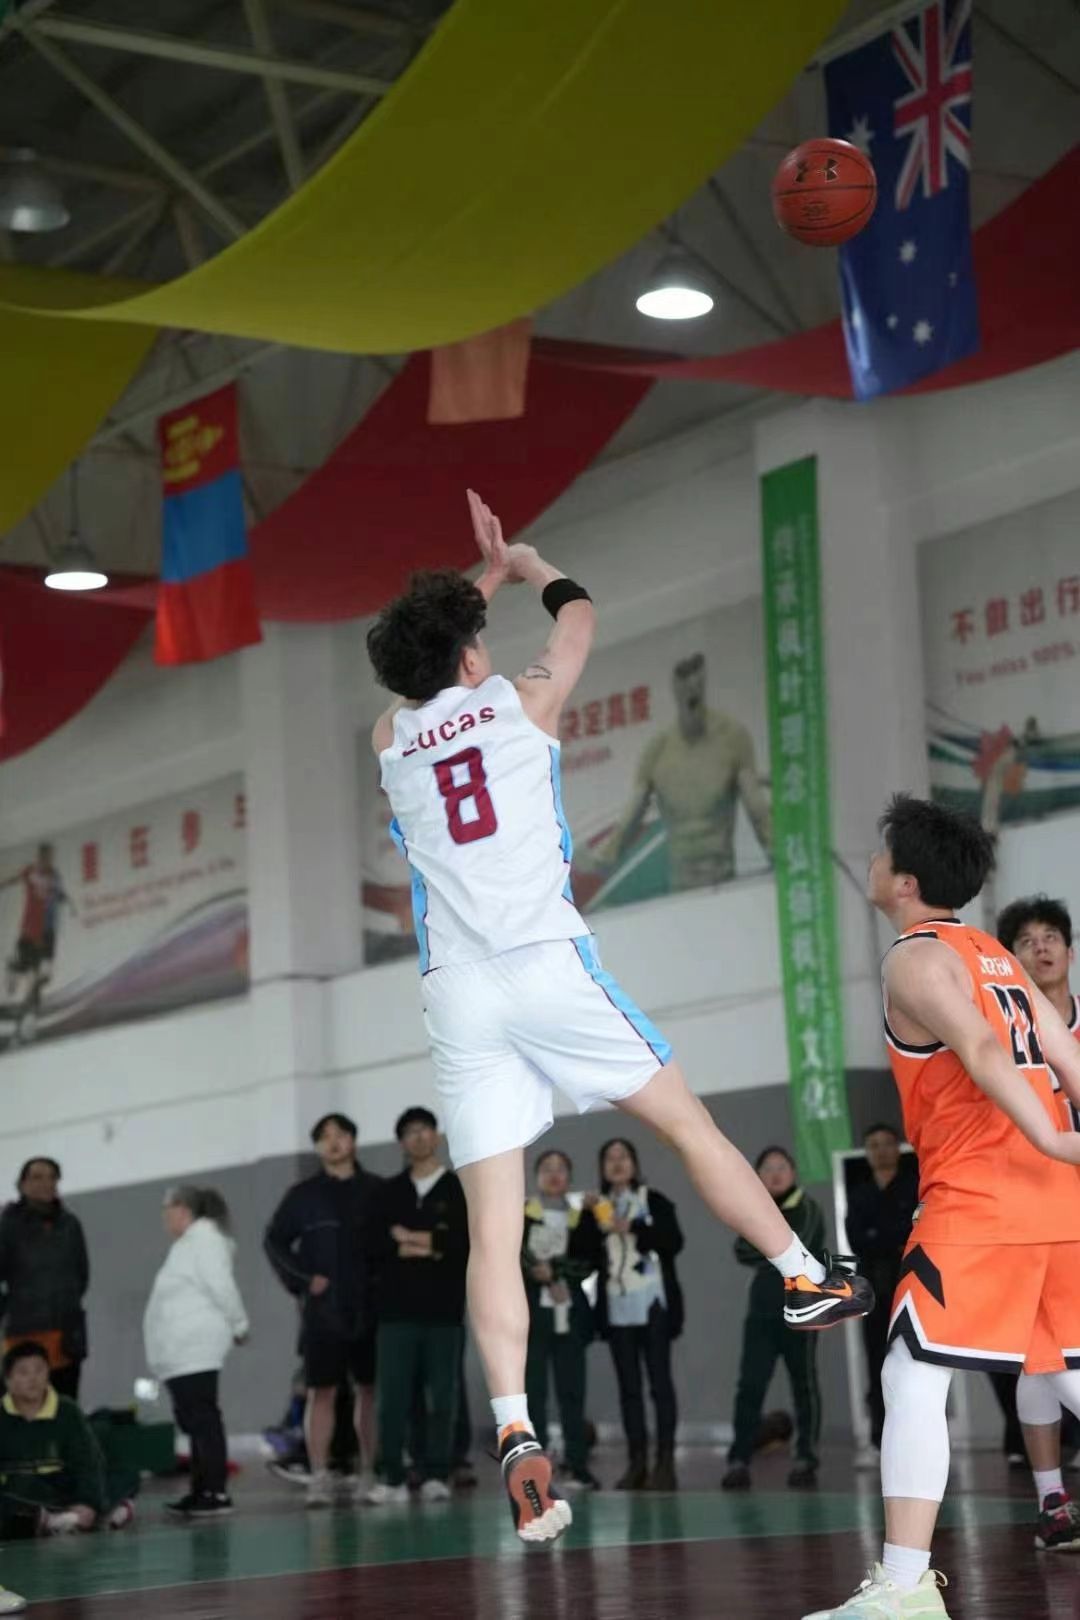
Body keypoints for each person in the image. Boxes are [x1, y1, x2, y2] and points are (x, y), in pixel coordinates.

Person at [368, 490, 871, 1543]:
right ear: (472, 654)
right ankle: (802, 1274)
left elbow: (424, 660)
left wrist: (474, 588)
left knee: (493, 1233)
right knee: (687, 1124)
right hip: (545, 964)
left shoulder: (388, 740)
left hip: (457, 994)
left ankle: (514, 1428)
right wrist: (527, 566)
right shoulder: (521, 700)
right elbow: (582, 614)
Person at [805, 794, 1080, 1620]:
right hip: (1058, 1204)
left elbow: (984, 1050)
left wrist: (1053, 1137)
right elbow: (1068, 1057)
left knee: (910, 1374)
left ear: (905, 882)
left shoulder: (914, 958)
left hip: (983, 1197)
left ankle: (903, 1589)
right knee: (1070, 1375)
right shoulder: (996, 956)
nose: (871, 863)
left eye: (881, 854)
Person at [997, 895, 1080, 1510]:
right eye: (1026, 941)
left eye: (1051, 936)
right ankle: (1052, 1502)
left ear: (1069, 951)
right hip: (1030, 1208)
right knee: (1039, 1352)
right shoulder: (1001, 1039)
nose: (1041, 947)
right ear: (1010, 962)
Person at [264, 1112, 382, 1509]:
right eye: (324, 1137)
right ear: (317, 1147)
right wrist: (303, 1279)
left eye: (340, 1134)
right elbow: (274, 1241)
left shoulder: (377, 1190)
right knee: (322, 1391)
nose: (333, 1142)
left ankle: (370, 1473)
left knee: (369, 1390)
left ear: (353, 1141)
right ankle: (318, 1477)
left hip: (369, 1307)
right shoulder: (303, 1195)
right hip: (323, 1311)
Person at [587, 650, 771, 892]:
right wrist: (599, 860)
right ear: (675, 689)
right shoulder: (657, 751)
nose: (691, 693)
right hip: (679, 888)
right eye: (685, 685)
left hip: (722, 882)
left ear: (704, 685)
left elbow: (759, 813)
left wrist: (782, 858)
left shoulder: (732, 739)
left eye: (697, 685)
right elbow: (629, 823)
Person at [365, 1107, 469, 1505]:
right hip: (395, 1313)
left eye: (425, 1129)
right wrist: (423, 1243)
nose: (419, 1137)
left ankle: (437, 1473)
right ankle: (390, 1476)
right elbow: (374, 1243)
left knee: (442, 1396)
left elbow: (463, 1242)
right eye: (410, 1132)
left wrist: (412, 1240)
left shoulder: (457, 1188)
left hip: (444, 1312)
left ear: (437, 1136)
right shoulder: (388, 1192)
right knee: (392, 1398)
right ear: (402, 1143)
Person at [143, 1186, 249, 1518]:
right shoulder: (189, 1245)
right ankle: (201, 1489)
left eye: (167, 1208)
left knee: (203, 1418)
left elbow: (221, 1286)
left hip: (195, 1348)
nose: (164, 1216)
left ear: (183, 1209)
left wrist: (240, 1323)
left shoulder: (205, 1241)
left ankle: (215, 1492)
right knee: (193, 1419)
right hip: (181, 1351)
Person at [724, 1147, 825, 1492]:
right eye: (767, 1168)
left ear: (793, 1172)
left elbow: (800, 1249)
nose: (776, 1173)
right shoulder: (754, 1210)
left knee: (804, 1384)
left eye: (782, 1166)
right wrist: (779, 1250)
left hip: (802, 1309)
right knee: (749, 1386)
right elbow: (741, 1250)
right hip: (761, 1314)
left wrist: (770, 1249)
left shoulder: (807, 1208)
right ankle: (738, 1459)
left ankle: (806, 1458)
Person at [592, 1138, 684, 1492]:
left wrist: (631, 1227)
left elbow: (674, 1241)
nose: (617, 1163)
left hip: (653, 1302)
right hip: (616, 1304)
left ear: (634, 1163)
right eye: (610, 1157)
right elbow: (585, 1251)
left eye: (624, 1156)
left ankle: (665, 1462)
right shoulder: (596, 1207)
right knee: (628, 1388)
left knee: (660, 1383)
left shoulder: (653, 1200)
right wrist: (586, 1219)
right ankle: (637, 1463)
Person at [0, 1340, 136, 1547]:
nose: (33, 1379)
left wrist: (87, 1503)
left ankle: (69, 1517)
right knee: (18, 1492)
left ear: (48, 1373)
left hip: (63, 1488)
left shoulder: (67, 1411)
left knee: (123, 1475)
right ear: (8, 1380)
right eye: (23, 1372)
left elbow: (87, 1461)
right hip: (20, 1490)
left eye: (39, 1370)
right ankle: (84, 1517)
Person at [523, 1149, 603, 1492]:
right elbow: (513, 1256)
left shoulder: (581, 1216)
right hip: (533, 1315)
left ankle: (577, 1465)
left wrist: (556, 1272)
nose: (554, 1174)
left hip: (571, 1314)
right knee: (533, 1393)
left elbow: (591, 1259)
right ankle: (535, 1468)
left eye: (561, 1168)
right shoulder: (524, 1214)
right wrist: (535, 1272)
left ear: (569, 1176)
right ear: (536, 1176)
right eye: (547, 1168)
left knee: (573, 1391)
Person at [845, 1124, 919, 1461]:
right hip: (873, 1291)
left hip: (912, 1288)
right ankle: (879, 1438)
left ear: (897, 1149)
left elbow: (914, 1231)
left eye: (887, 1144)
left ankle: (916, 1437)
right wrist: (892, 1238)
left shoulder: (914, 1185)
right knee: (877, 1362)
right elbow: (858, 1239)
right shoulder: (860, 1193)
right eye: (873, 1145)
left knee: (915, 1363)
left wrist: (884, 1236)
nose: (881, 1151)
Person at [0, 1157, 90, 1401]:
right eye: (37, 1177)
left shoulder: (70, 1225)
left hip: (66, 1335)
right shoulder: (8, 1225)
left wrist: (67, 1301)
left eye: (52, 1177)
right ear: (22, 1184)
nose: (46, 1183)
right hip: (24, 1333)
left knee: (64, 1404)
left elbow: (82, 1276)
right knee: (25, 1405)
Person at [1, 844, 75, 1043]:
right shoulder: (31, 872)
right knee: (25, 971)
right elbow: (16, 879)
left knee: (37, 977)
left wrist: (66, 901)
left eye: (50, 858)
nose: (47, 861)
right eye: (45, 858)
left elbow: (58, 894)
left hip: (40, 938)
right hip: (27, 933)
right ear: (39, 858)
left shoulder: (52, 878)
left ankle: (28, 1020)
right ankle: (14, 969)